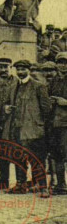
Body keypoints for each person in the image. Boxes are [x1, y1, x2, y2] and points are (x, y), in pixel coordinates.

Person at [3, 60, 51, 198]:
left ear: (29, 70)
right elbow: (8, 104)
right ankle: (20, 185)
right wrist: (6, 108)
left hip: (33, 130)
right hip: (16, 129)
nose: (20, 72)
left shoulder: (38, 86)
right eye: (18, 69)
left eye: (23, 69)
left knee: (37, 159)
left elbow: (46, 109)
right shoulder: (13, 87)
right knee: (18, 158)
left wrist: (38, 124)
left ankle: (43, 187)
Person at [0, 57, 18, 190]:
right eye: (0, 67)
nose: (3, 70)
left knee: (18, 152)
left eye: (5, 67)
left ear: (10, 67)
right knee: (2, 152)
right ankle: (3, 180)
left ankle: (23, 182)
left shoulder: (17, 82)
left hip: (14, 122)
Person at [50, 52, 67, 194]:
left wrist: (65, 102)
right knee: (58, 154)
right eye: (60, 62)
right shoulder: (54, 80)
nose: (63, 65)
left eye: (65, 63)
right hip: (55, 123)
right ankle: (61, 184)